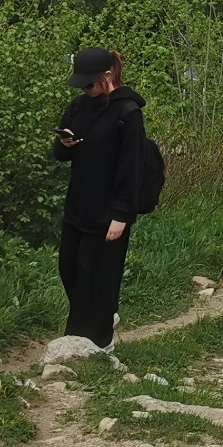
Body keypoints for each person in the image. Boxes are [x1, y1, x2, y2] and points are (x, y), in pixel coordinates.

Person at [53, 46, 148, 350]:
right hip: (78, 205)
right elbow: (59, 154)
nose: (84, 89)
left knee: (97, 275)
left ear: (107, 76)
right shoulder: (79, 107)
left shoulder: (127, 113)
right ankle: (98, 320)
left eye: (89, 84)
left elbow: (131, 167)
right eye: (80, 84)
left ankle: (95, 342)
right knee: (69, 269)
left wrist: (122, 214)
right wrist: (65, 143)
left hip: (109, 212)